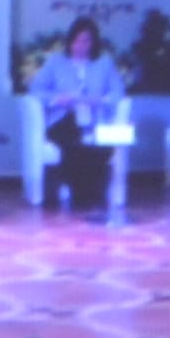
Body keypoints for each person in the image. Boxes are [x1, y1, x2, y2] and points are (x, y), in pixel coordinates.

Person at [33, 18, 124, 220]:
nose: (81, 45)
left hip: (94, 119)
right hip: (64, 118)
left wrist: (100, 100)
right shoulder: (55, 62)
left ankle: (87, 194)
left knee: (100, 146)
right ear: (70, 41)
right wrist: (57, 99)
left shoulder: (104, 64)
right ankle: (83, 193)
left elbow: (118, 93)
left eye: (86, 41)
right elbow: (36, 90)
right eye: (77, 40)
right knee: (71, 141)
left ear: (93, 43)